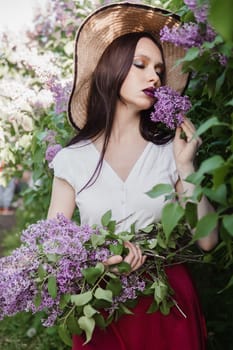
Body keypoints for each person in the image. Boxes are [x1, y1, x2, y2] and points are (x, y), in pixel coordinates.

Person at [47, 3, 218, 349]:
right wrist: (99, 257)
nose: (155, 77)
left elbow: (208, 240)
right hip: (102, 310)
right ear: (112, 69)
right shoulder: (73, 159)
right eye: (140, 65)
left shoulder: (169, 151)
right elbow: (52, 246)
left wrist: (186, 167)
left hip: (168, 309)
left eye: (158, 69)